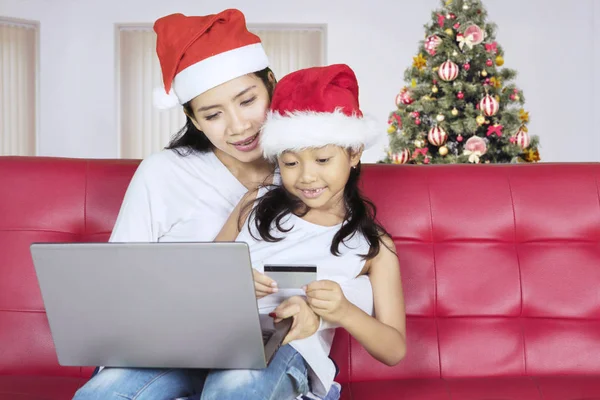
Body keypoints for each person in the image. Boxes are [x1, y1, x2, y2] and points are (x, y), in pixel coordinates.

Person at [73, 9, 373, 400]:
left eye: (247, 101)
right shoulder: (162, 173)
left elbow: (350, 262)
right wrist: (212, 288)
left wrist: (320, 309)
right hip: (174, 348)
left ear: (271, 85)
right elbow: (120, 287)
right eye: (213, 114)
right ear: (193, 120)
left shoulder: (308, 171)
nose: (238, 126)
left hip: (273, 354)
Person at [216, 63, 407, 399]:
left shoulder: (374, 247)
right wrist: (230, 282)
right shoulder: (253, 204)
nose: (305, 177)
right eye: (290, 163)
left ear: (354, 153)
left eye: (322, 160)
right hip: (219, 335)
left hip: (291, 349)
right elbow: (202, 270)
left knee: (236, 386)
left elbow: (393, 349)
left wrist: (345, 310)